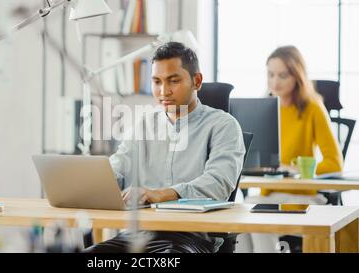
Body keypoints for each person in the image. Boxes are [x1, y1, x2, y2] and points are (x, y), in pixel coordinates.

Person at [85, 42, 245, 253]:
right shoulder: (143, 125)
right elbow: (118, 167)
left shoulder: (223, 126)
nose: (163, 91)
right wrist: (93, 183)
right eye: (156, 81)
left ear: (196, 81)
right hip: (138, 235)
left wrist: (161, 194)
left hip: (192, 238)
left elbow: (216, 185)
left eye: (173, 81)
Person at [238, 45, 343, 253]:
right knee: (241, 217)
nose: (274, 82)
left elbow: (335, 163)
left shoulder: (312, 107)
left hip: (304, 197)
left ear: (297, 76)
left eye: (283, 75)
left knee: (257, 218)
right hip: (269, 196)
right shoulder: (264, 109)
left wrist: (297, 171)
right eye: (271, 75)